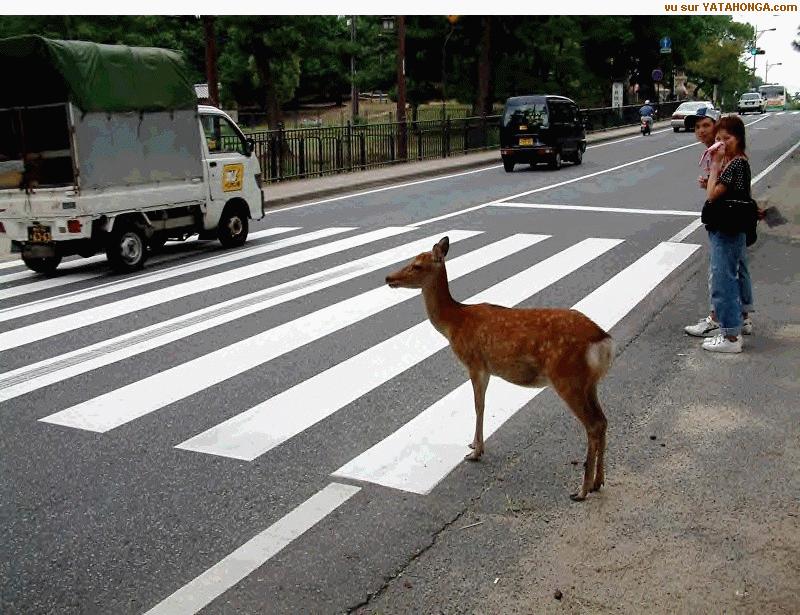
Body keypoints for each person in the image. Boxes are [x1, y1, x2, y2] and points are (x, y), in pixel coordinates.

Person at [685, 108, 754, 339]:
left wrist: (713, 177)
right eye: (697, 127)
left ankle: (721, 322)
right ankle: (742, 316)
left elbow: (716, 194)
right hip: (735, 220)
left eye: (706, 125)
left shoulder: (727, 158)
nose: (701, 131)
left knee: (722, 274)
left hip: (728, 222)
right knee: (736, 268)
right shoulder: (725, 155)